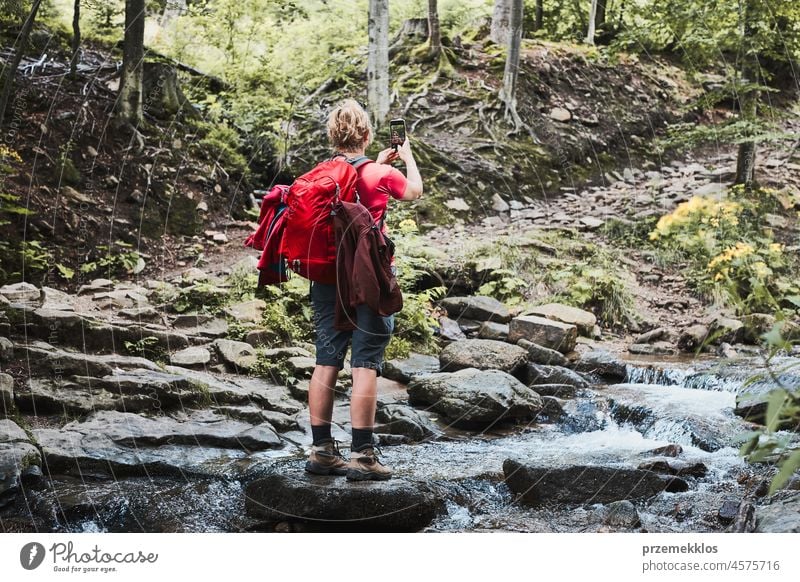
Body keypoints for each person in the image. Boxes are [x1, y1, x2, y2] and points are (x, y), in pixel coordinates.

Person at [305, 99, 423, 481]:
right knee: (365, 362)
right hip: (369, 277)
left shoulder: (320, 173)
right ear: (367, 135)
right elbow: (413, 192)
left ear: (332, 136)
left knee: (327, 359)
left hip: (327, 279)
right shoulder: (377, 173)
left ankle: (321, 450)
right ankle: (363, 455)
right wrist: (406, 157)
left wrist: (379, 163)